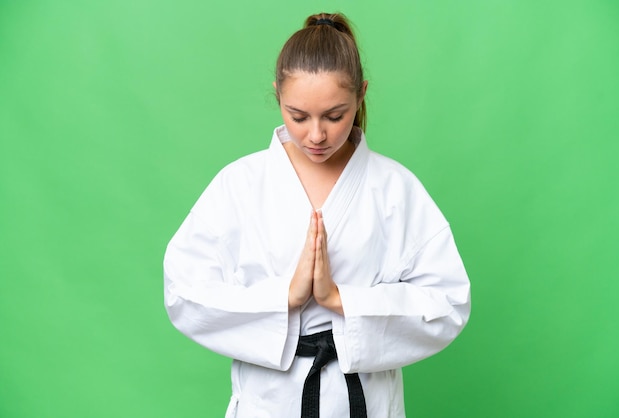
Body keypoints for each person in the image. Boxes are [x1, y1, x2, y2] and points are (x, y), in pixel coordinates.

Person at [164, 12, 471, 418]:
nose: (315, 135)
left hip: (365, 403)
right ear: (277, 96)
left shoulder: (395, 188)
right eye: (298, 116)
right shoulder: (240, 184)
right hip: (270, 403)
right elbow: (184, 292)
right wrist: (285, 298)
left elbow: (448, 303)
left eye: (334, 115)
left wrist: (340, 299)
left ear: (361, 94)